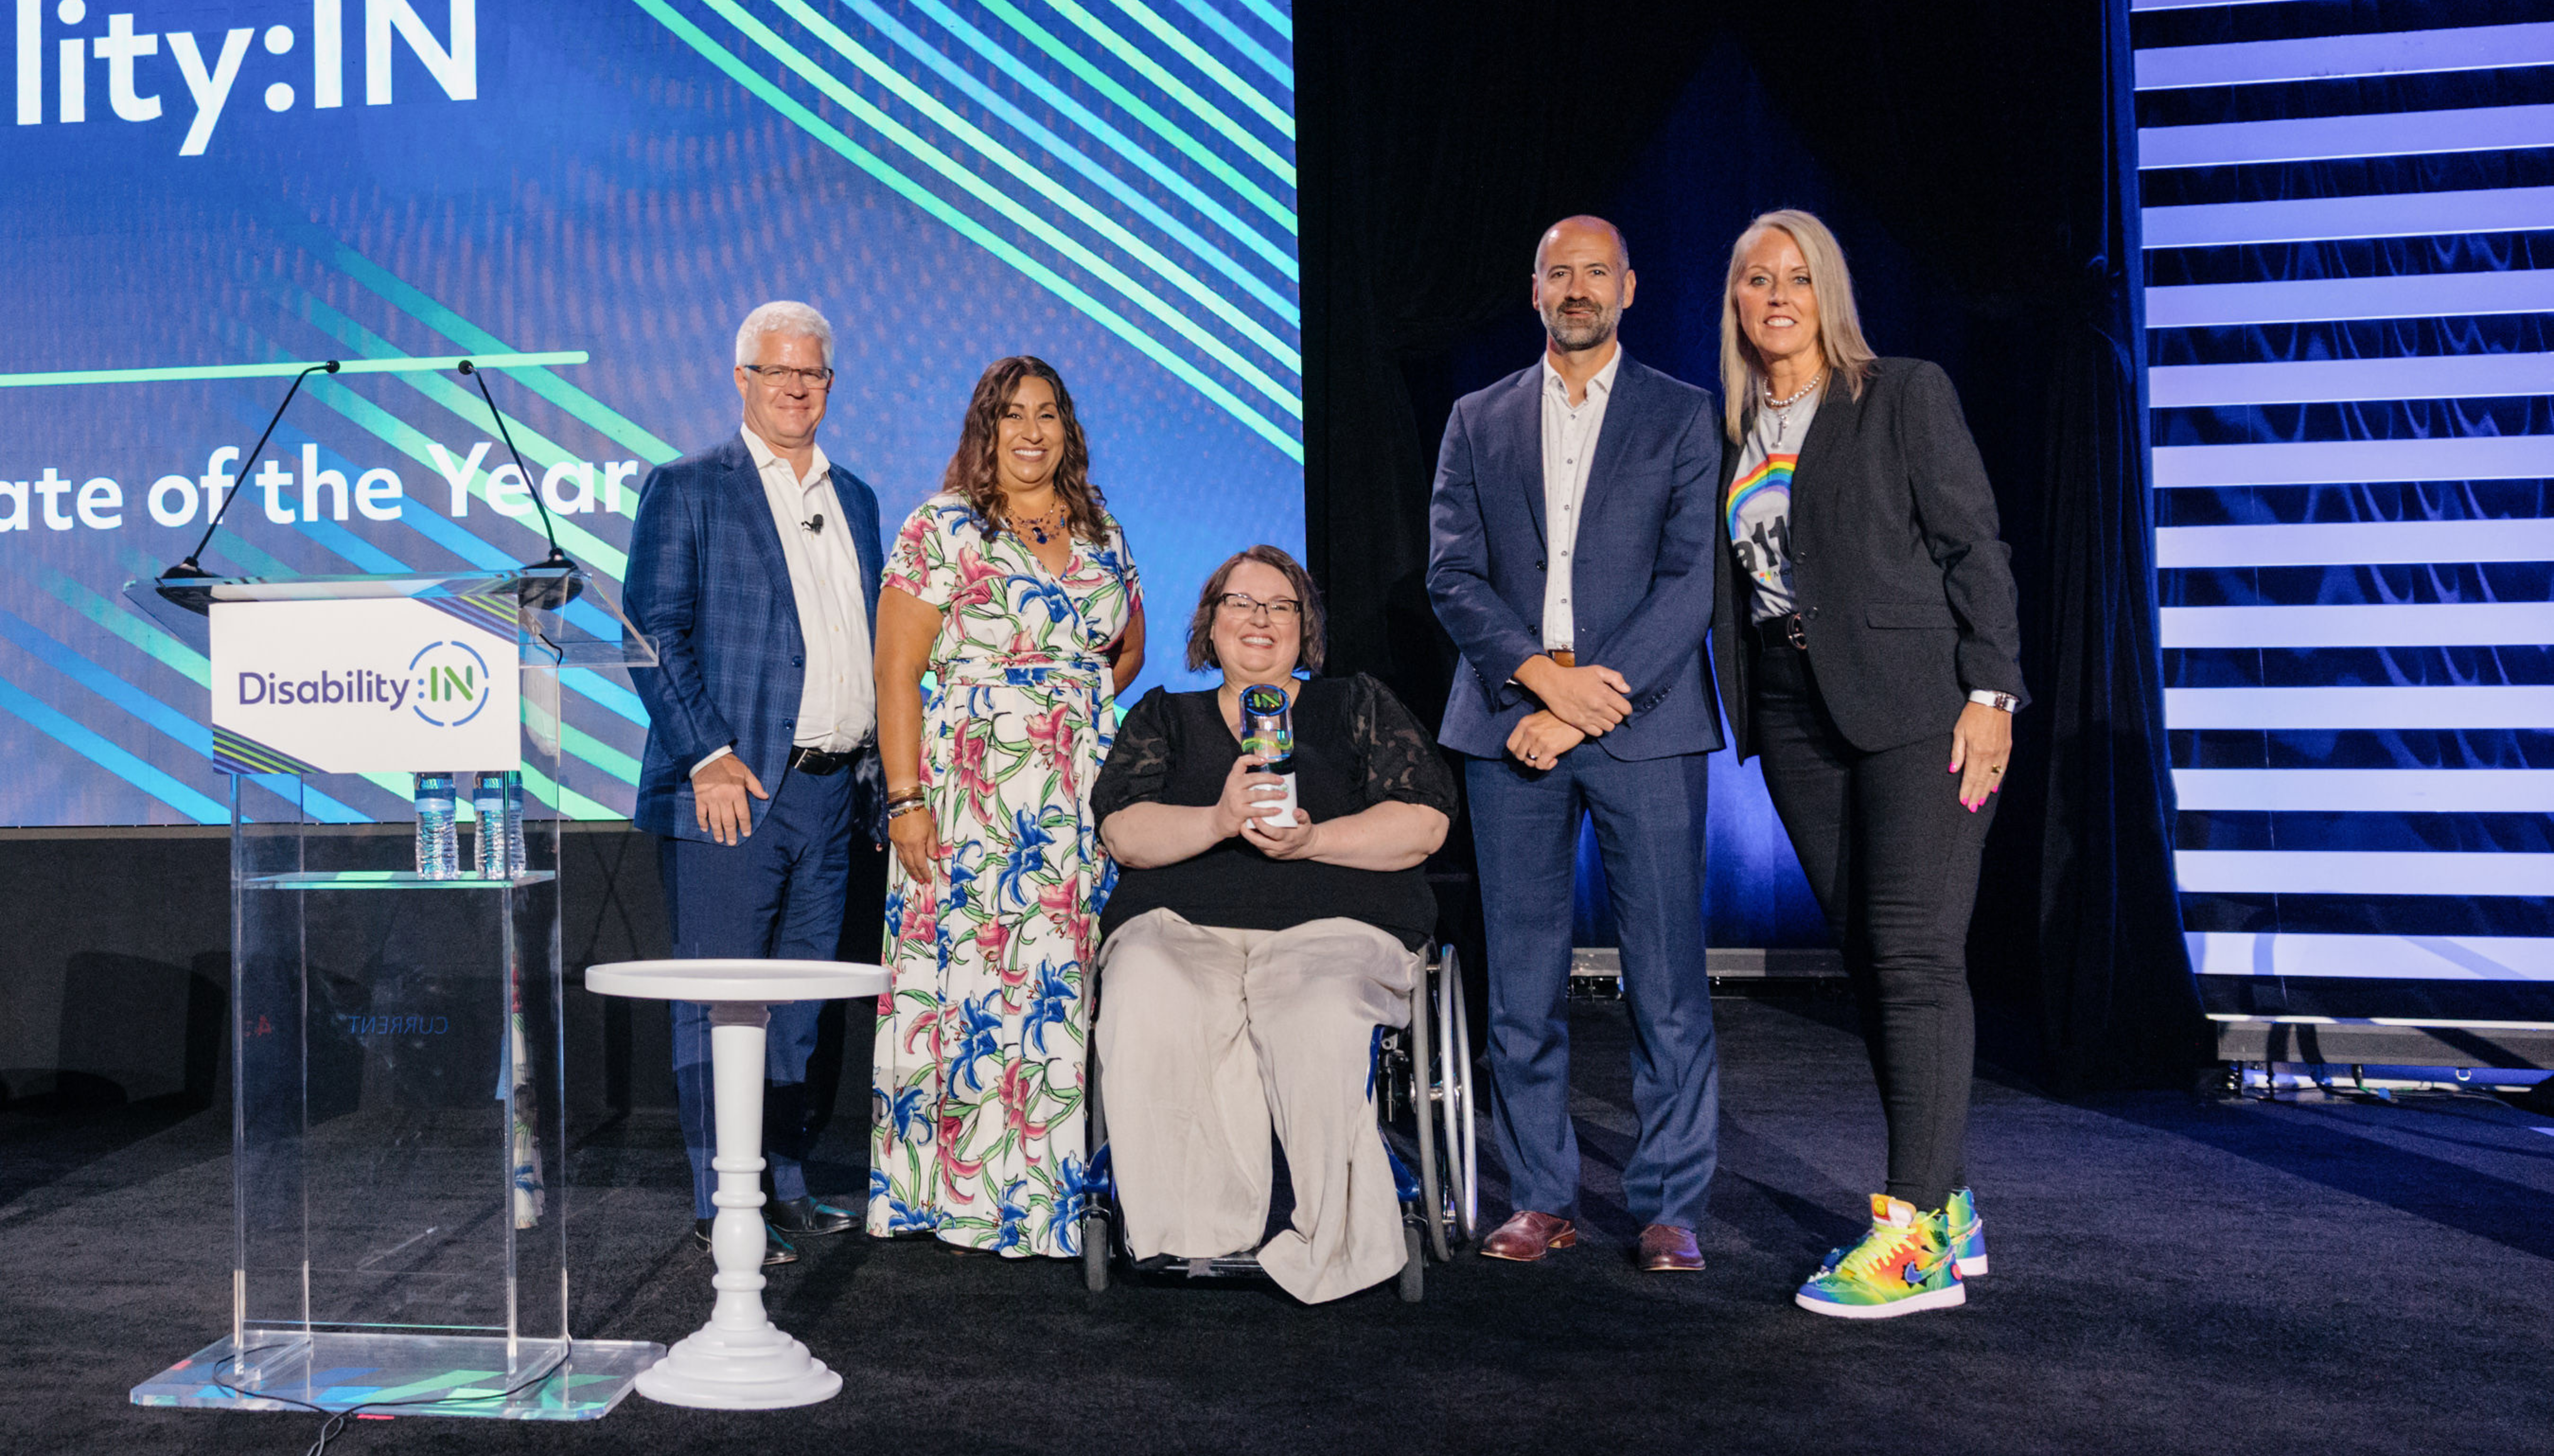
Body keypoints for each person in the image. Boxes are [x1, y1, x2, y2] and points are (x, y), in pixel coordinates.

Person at [1709, 209, 2024, 1318]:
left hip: (1914, 703)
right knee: (1873, 959)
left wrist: (1991, 691)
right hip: (1794, 710)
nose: (1777, 295)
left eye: (1797, 277)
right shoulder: (1732, 428)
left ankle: (1909, 1236)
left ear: (1827, 292)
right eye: (1756, 279)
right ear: (1735, 301)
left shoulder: (1898, 392)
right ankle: (1945, 1209)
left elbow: (1969, 543)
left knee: (1914, 953)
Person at [1425, 216, 1725, 1273]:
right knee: (1520, 980)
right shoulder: (1476, 417)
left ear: (1629, 288)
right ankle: (1541, 1193)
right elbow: (1451, 575)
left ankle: (1667, 1206)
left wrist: (1585, 702)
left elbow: (1691, 579)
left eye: (1595, 271)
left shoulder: (1684, 413)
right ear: (1536, 287)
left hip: (1641, 722)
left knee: (1666, 980)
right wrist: (1538, 682)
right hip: (1509, 716)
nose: (1577, 287)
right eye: (1559, 270)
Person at [1091, 546, 1456, 1303]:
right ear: (1209, 625)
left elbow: (1422, 824)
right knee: (1148, 993)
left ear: (1303, 627)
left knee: (1318, 1015)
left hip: (1332, 926)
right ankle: (1191, 1233)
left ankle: (1336, 1242)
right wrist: (1220, 820)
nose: (1258, 618)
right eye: (1238, 603)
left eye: (1278, 606)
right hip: (1182, 927)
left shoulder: (1354, 704)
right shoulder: (1166, 716)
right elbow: (1124, 832)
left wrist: (1314, 839)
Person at [625, 300, 887, 1267]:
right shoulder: (689, 487)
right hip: (729, 790)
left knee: (802, 1006)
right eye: (777, 372)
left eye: (811, 374)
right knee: (721, 1000)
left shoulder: (853, 495)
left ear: (828, 384)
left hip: (828, 794)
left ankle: (782, 1183)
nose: (794, 388)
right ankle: (717, 1199)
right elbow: (653, 635)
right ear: (741, 381)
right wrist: (706, 755)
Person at [867, 356, 1145, 1256]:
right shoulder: (939, 526)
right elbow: (896, 673)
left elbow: (1126, 640)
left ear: (1068, 428)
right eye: (1012, 416)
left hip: (1074, 801)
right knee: (980, 992)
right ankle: (967, 1198)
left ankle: (1061, 1197)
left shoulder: (1099, 523)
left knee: (1063, 986)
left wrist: (1076, 703)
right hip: (972, 797)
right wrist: (907, 800)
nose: (1032, 432)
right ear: (984, 430)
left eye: (1048, 415)